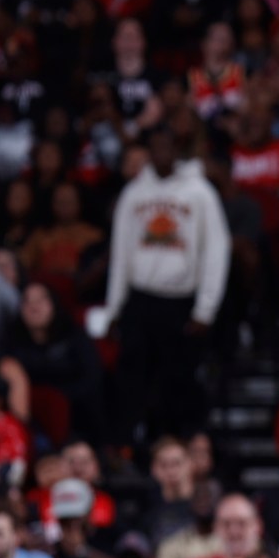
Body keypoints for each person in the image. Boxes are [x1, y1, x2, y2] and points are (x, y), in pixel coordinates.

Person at [103, 125, 230, 445]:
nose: (161, 153)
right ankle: (130, 447)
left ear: (178, 149)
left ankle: (178, 446)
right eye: (155, 147)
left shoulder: (200, 191)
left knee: (178, 383)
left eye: (167, 146)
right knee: (131, 380)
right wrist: (114, 306)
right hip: (140, 297)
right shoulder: (134, 193)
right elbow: (120, 253)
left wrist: (206, 308)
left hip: (181, 300)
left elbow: (217, 249)